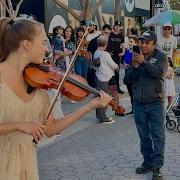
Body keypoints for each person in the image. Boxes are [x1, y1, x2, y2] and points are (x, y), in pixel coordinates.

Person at [0, 17, 112, 180]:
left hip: (25, 166)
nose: (47, 49)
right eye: (43, 42)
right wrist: (18, 125)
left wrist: (89, 106)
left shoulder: (39, 87)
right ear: (27, 44)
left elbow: (51, 129)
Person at [124, 30, 168, 180]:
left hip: (156, 102)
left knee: (158, 135)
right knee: (144, 136)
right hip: (139, 104)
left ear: (154, 44)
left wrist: (143, 62)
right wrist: (135, 67)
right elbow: (126, 80)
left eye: (146, 42)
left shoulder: (162, 56)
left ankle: (157, 167)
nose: (142, 45)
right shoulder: (131, 54)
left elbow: (158, 73)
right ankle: (148, 162)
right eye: (141, 41)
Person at [94, 35, 119, 124]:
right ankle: (103, 117)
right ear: (106, 44)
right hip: (105, 78)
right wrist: (117, 66)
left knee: (99, 97)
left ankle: (99, 115)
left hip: (98, 77)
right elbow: (113, 65)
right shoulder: (105, 54)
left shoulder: (96, 53)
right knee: (104, 98)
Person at [107, 20, 125, 94]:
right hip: (109, 55)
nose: (117, 27)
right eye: (116, 26)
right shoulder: (110, 34)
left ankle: (117, 87)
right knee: (109, 72)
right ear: (114, 26)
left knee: (117, 72)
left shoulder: (121, 36)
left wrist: (123, 52)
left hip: (117, 56)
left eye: (119, 26)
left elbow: (123, 45)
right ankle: (109, 88)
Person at [123, 35, 139, 115]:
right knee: (130, 94)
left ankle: (136, 110)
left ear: (136, 43)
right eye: (129, 41)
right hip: (128, 75)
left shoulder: (136, 52)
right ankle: (133, 109)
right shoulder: (128, 51)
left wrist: (129, 65)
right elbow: (125, 60)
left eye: (131, 41)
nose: (129, 43)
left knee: (134, 93)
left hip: (133, 76)